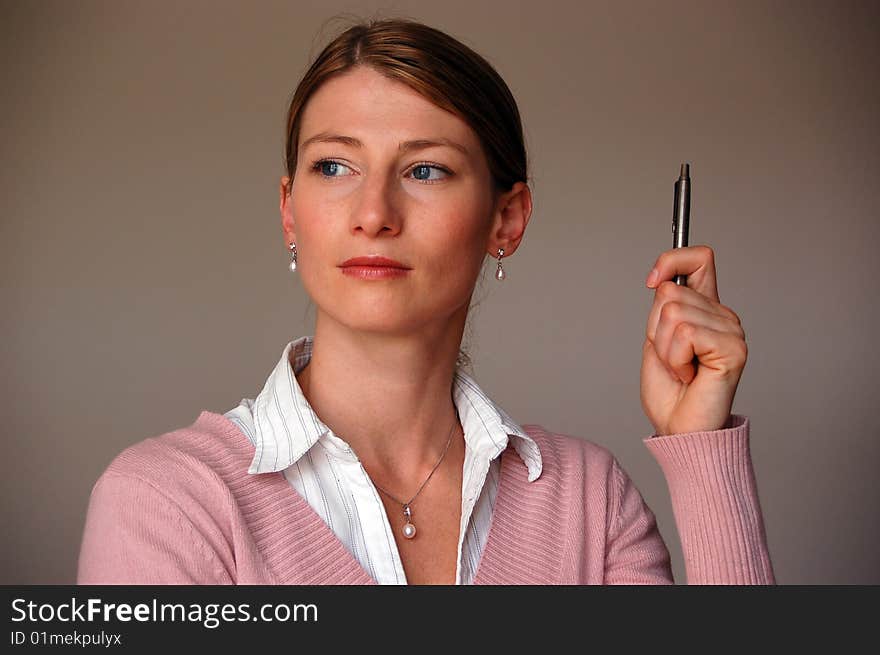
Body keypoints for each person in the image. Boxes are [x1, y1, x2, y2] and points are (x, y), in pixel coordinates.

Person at [77, 17, 774, 585]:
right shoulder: (168, 503)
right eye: (334, 166)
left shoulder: (593, 504)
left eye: (426, 169)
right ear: (291, 213)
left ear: (508, 219)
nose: (373, 212)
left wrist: (700, 446)